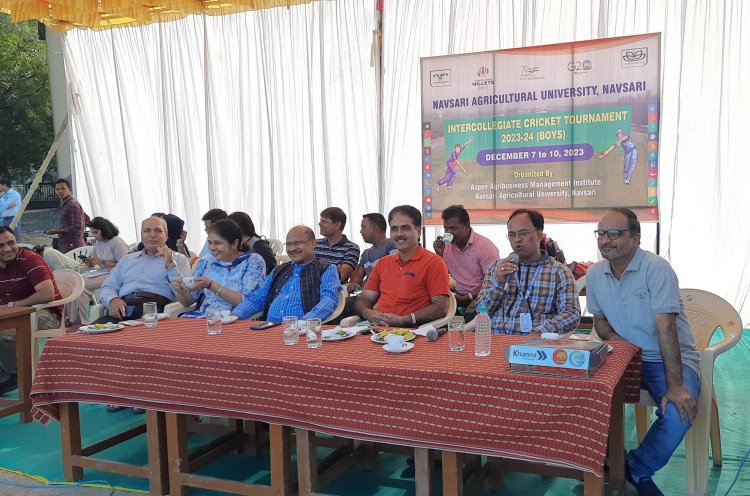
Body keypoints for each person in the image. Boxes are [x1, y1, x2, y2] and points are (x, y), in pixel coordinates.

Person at [586, 208, 700, 496]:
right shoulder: (594, 273)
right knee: (583, 396)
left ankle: (633, 469)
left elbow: (666, 328)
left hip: (668, 358)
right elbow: (599, 321)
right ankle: (610, 462)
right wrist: (624, 346)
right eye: (601, 233)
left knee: (678, 413)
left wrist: (675, 386)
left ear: (636, 238)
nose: (606, 241)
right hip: (626, 354)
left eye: (615, 233)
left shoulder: (656, 268)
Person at [476, 209, 579, 335]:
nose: (517, 239)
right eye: (512, 234)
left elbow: (571, 314)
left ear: (539, 234)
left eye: (523, 233)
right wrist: (498, 284)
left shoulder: (559, 272)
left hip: (535, 346)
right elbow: (481, 311)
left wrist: (541, 332)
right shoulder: (497, 268)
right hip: (496, 341)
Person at [354, 205, 450, 327]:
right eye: (394, 229)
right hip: (377, 330)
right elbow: (365, 298)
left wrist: (404, 320)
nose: (399, 234)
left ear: (418, 232)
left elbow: (441, 307)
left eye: (405, 228)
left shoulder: (434, 262)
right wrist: (369, 313)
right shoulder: (383, 263)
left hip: (414, 333)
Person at [234, 226, 340, 322]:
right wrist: (234, 315)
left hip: (304, 333)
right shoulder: (279, 270)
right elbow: (258, 298)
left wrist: (305, 322)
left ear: (313, 243)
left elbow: (329, 300)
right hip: (270, 330)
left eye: (297, 243)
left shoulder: (325, 268)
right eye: (289, 244)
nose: (292, 249)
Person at [95, 217, 191, 324]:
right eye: (147, 231)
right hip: (123, 308)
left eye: (158, 231)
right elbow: (108, 286)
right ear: (141, 235)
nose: (153, 235)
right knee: (89, 334)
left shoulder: (179, 259)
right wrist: (112, 300)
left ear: (166, 235)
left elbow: (186, 297)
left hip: (155, 310)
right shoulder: (128, 259)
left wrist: (170, 263)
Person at [0, 226, 63, 384]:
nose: (8, 248)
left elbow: (47, 293)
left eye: (11, 242)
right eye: (0, 245)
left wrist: (13, 306)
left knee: (2, 332)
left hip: (44, 313)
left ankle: (14, 374)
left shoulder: (30, 259)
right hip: (10, 314)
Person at [174, 219, 266, 318]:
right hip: (203, 317)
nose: (212, 247)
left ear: (235, 243)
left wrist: (211, 285)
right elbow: (188, 302)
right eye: (210, 242)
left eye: (217, 243)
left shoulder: (252, 261)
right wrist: (181, 291)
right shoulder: (207, 261)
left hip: (233, 319)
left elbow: (249, 303)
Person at [433, 205, 498, 319]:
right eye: (446, 229)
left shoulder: (485, 247)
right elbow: (442, 275)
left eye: (453, 228)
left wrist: (467, 297)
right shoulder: (446, 246)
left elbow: (492, 283)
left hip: (480, 295)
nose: (449, 233)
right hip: (456, 294)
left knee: (470, 315)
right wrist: (439, 254)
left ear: (467, 226)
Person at [68, 217, 130, 325]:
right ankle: (75, 318)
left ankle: (79, 319)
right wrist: (90, 262)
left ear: (104, 230)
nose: (95, 236)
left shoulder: (117, 243)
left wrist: (101, 262)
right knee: (76, 281)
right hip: (103, 272)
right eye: (93, 233)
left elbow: (125, 266)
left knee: (81, 282)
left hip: (115, 274)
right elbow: (95, 261)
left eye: (96, 233)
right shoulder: (99, 243)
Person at [346, 213, 397, 293]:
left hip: (385, 296)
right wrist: (355, 285)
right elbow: (358, 276)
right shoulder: (366, 253)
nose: (360, 231)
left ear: (374, 228)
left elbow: (393, 275)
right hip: (367, 297)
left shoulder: (392, 245)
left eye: (363, 227)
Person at [314, 207, 360, 284]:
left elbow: (341, 276)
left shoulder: (352, 248)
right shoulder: (315, 244)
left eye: (324, 221)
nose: (319, 224)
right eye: (320, 220)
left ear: (337, 225)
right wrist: (334, 269)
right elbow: (304, 271)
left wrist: (316, 268)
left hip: (334, 293)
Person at [46, 178, 88, 252]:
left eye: (63, 188)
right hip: (68, 245)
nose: (60, 191)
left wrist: (58, 231)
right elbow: (86, 219)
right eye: (57, 189)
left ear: (70, 190)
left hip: (73, 247)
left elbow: (77, 226)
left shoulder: (72, 204)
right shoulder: (67, 204)